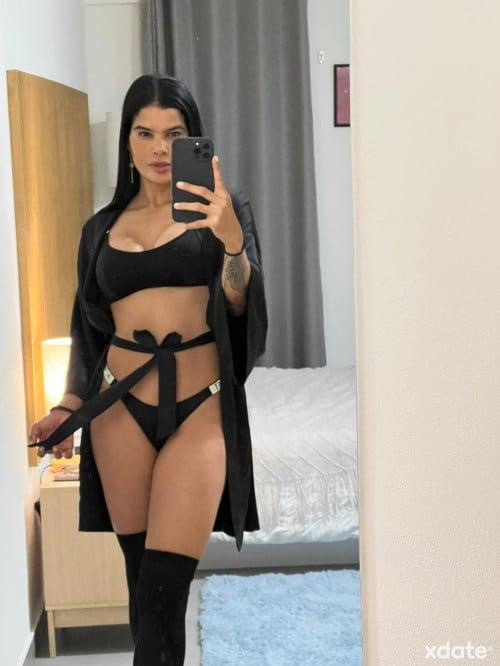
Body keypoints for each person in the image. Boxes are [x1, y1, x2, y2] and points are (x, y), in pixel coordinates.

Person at [27, 73, 268, 665]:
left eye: (175, 134)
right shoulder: (100, 229)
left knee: (163, 594)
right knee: (143, 591)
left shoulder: (223, 212)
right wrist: (67, 405)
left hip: (200, 407)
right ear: (128, 142)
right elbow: (88, 329)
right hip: (119, 412)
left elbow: (242, 307)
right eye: (146, 133)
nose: (161, 148)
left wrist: (231, 244)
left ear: (193, 139)